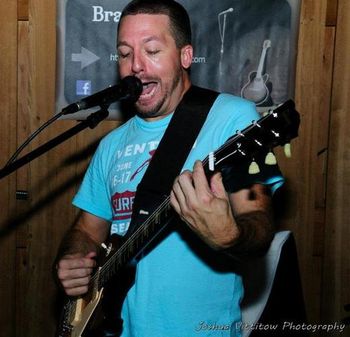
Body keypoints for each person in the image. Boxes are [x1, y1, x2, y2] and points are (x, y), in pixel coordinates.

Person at [55, 0, 284, 336]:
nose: (136, 65)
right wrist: (73, 262)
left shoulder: (233, 120)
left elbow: (259, 225)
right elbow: (88, 231)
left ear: (185, 56)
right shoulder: (111, 145)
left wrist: (230, 236)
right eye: (124, 52)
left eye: (152, 50)